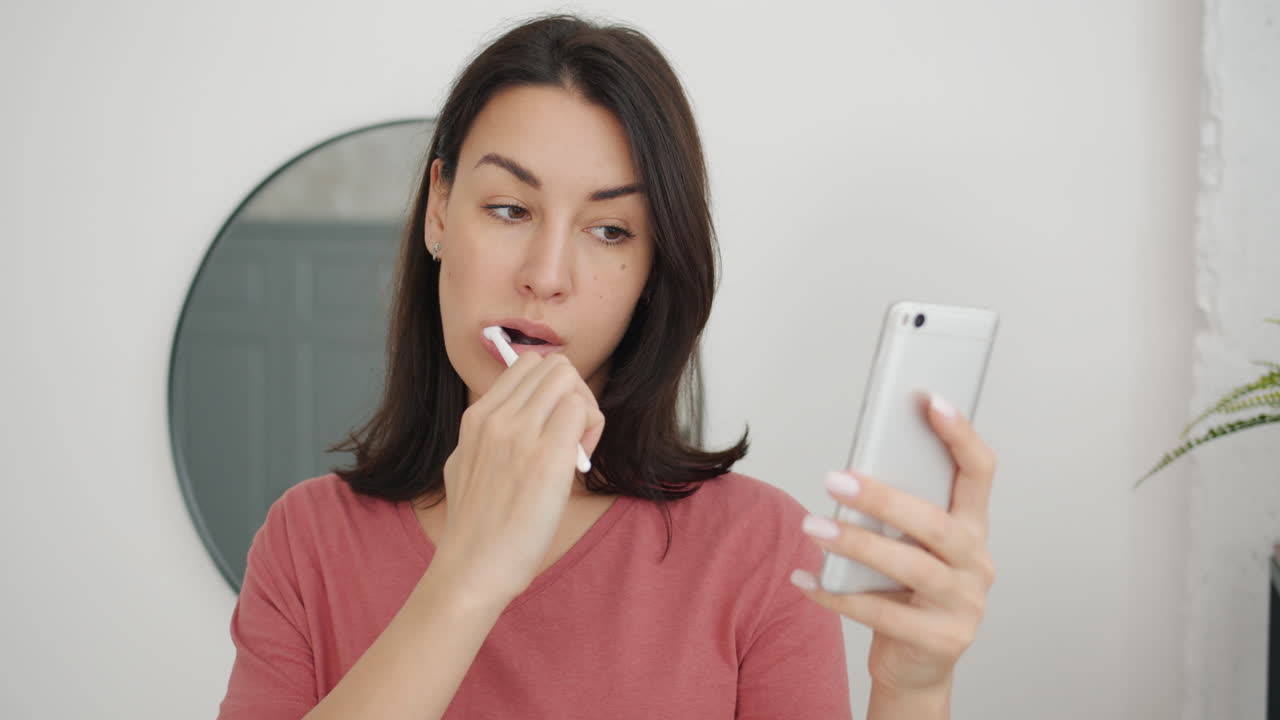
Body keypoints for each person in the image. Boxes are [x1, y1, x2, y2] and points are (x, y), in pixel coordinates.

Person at [216, 13, 996, 720]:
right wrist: (468, 578)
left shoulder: (756, 548)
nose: (547, 275)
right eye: (510, 209)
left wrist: (912, 691)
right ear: (439, 209)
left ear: (653, 269)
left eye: (611, 231)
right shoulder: (305, 542)